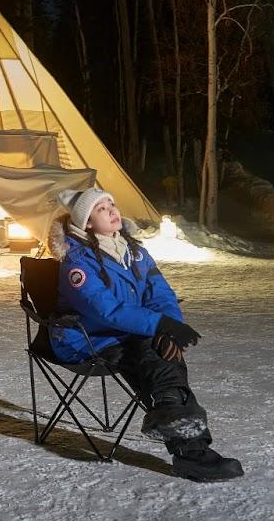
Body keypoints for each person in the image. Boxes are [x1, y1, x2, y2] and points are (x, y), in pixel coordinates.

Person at [46, 187, 244, 483]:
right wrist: (158, 326)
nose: (113, 210)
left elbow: (161, 295)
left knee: (161, 350)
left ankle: (177, 426)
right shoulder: (77, 262)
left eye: (111, 203)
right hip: (87, 338)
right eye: (101, 209)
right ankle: (190, 450)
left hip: (129, 333)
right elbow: (106, 310)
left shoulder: (135, 252)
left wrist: (168, 327)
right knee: (152, 354)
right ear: (86, 223)